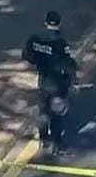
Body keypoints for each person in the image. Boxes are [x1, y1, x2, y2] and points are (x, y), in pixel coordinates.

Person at [23, 10, 77, 156]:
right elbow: (67, 64)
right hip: (58, 84)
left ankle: (44, 139)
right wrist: (73, 78)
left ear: (45, 22)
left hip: (43, 81)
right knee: (56, 115)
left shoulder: (36, 39)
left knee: (43, 111)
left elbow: (27, 55)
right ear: (59, 23)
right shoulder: (60, 42)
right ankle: (57, 145)